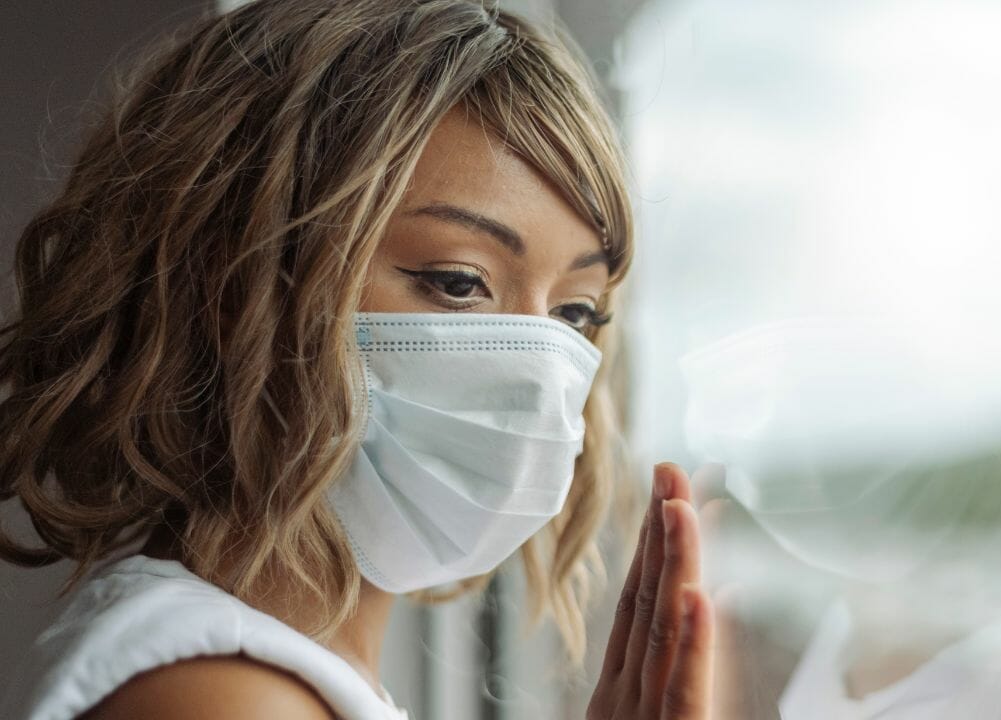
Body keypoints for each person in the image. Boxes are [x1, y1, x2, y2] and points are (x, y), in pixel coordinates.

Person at [0, 1, 712, 718]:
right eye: (459, 282)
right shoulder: (225, 696)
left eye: (574, 314)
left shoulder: (279, 671)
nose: (537, 376)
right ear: (230, 279)